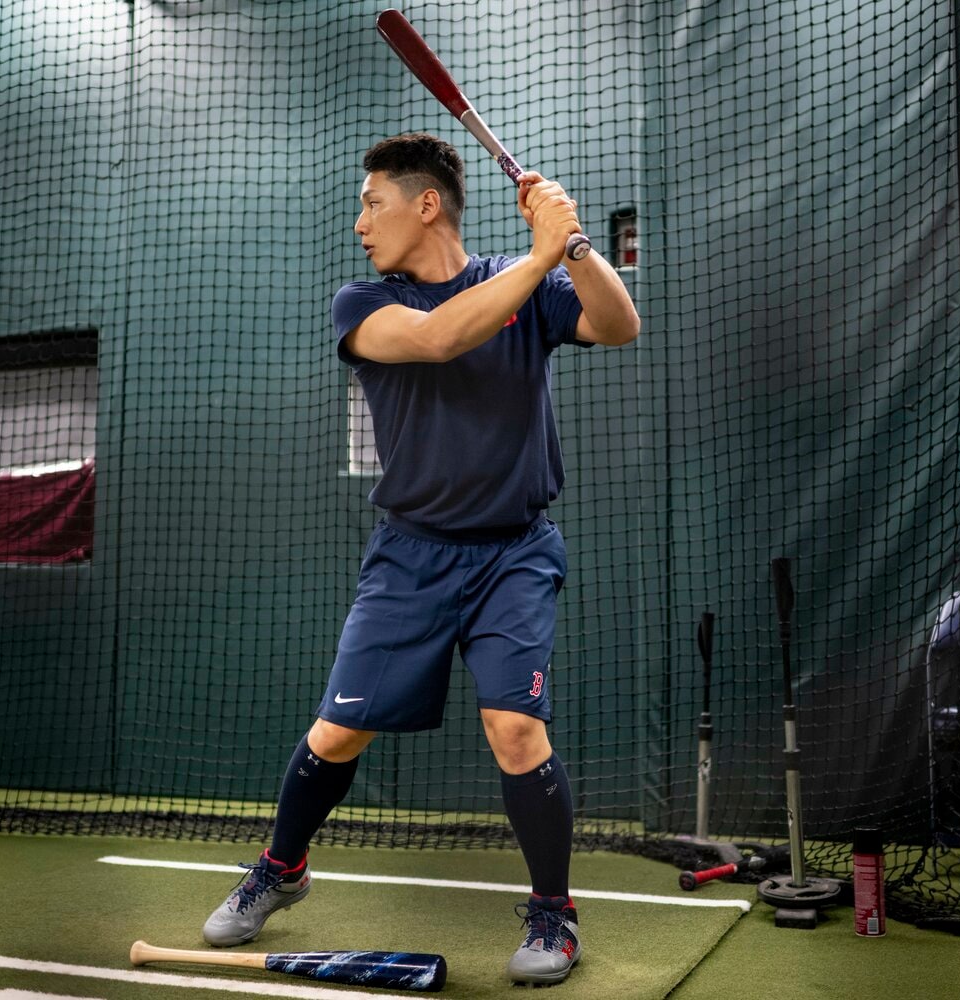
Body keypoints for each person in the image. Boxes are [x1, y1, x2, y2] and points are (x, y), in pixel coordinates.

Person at [202, 133, 640, 986]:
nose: (361, 221)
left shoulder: (536, 282)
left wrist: (574, 244)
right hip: (411, 557)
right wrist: (544, 252)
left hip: (515, 551)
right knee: (338, 732)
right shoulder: (361, 301)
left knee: (516, 728)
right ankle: (281, 870)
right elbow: (441, 337)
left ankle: (554, 915)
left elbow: (620, 324)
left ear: (425, 203)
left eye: (373, 202)